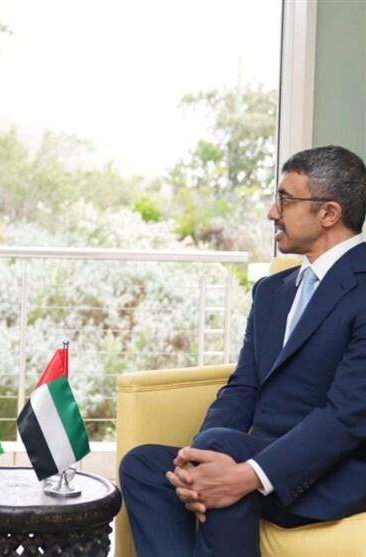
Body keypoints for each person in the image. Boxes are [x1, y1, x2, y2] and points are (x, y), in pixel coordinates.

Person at [119, 145, 366, 556]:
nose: (272, 212)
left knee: (224, 451)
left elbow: (347, 417)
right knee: (143, 466)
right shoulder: (271, 292)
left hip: (336, 472)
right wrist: (196, 460)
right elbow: (243, 388)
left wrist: (250, 473)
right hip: (256, 454)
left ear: (328, 213)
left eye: (285, 200)